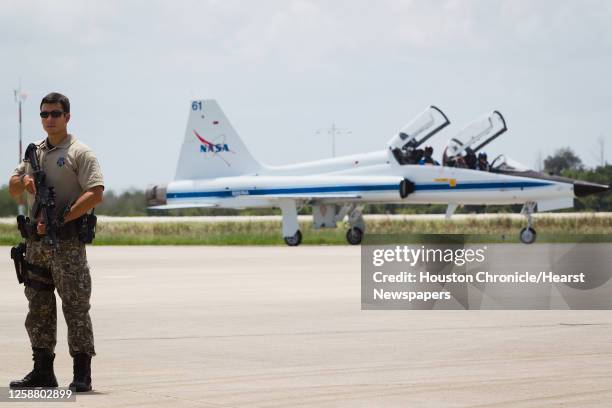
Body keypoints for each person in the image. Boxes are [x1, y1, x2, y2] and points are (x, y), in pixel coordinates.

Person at [8, 92, 104, 392]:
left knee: (75, 307)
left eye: (55, 114)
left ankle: (81, 374)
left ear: (67, 117)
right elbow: (13, 189)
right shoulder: (33, 153)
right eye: (44, 114)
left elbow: (96, 191)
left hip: (67, 243)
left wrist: (63, 217)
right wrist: (22, 181)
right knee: (38, 307)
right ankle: (42, 371)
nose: (49, 119)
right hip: (36, 245)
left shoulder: (80, 152)